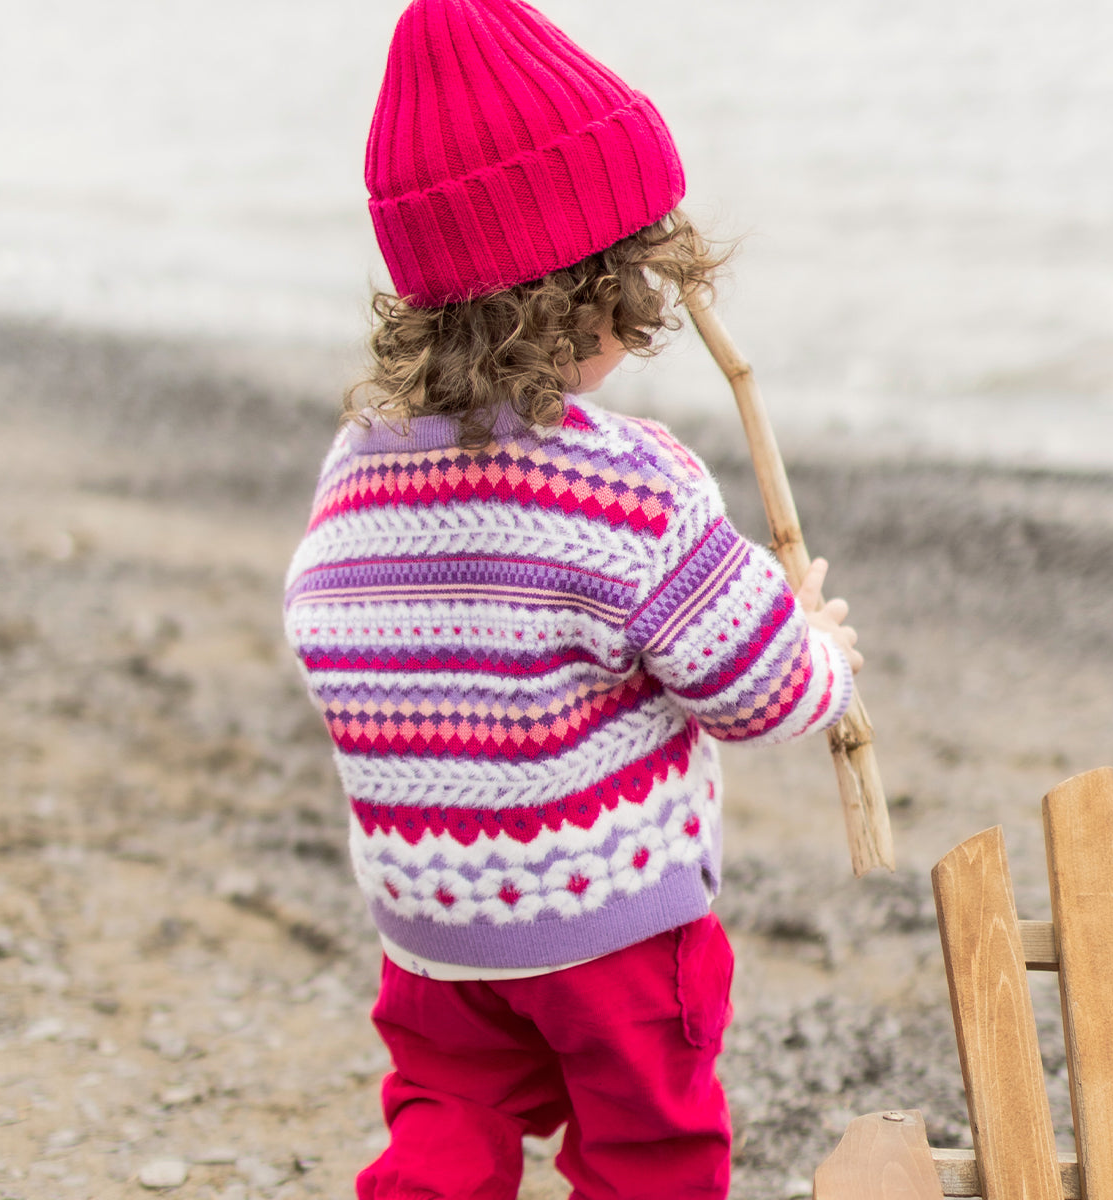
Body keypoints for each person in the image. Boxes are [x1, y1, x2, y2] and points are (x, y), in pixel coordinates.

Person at [283, 0, 861, 1196]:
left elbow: (324, 621)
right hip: (608, 921)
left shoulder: (362, 463)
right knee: (651, 1143)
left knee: (447, 1113)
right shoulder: (626, 486)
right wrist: (815, 645)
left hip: (434, 914)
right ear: (590, 295)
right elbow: (758, 689)